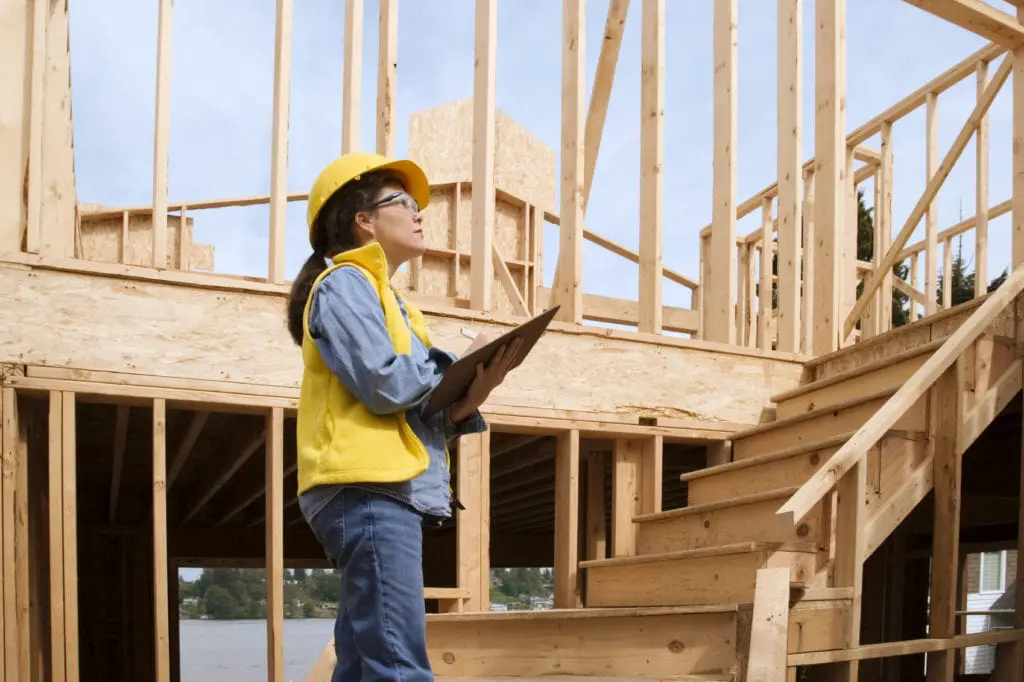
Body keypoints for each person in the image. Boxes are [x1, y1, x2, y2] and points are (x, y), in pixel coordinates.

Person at [285, 152, 522, 682]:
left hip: (382, 488)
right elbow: (385, 384)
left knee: (362, 663)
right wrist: (452, 363)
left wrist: (472, 392)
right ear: (362, 220)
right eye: (404, 203)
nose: (419, 214)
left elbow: (416, 409)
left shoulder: (395, 304)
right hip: (368, 489)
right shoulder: (344, 283)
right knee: (398, 667)